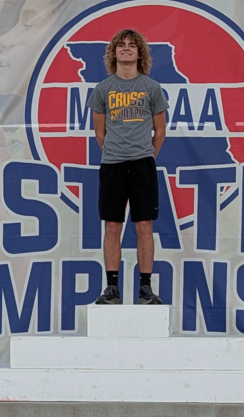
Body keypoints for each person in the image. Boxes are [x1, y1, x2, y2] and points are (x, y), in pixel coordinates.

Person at [87, 29, 168, 305]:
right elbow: (100, 133)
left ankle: (145, 288)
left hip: (143, 164)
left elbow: (160, 131)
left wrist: (145, 156)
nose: (126, 49)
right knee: (112, 226)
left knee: (144, 226)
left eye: (132, 45)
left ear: (139, 53)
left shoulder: (152, 88)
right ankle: (112, 289)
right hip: (112, 165)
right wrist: (116, 153)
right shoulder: (102, 89)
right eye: (121, 45)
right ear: (113, 53)